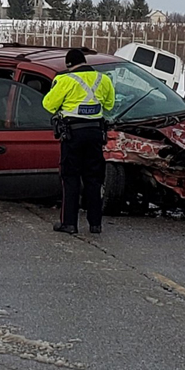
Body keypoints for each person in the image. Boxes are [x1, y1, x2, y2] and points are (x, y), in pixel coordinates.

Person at [42, 49, 115, 235]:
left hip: (73, 135)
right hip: (96, 134)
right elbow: (109, 105)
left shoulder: (65, 80)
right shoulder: (103, 79)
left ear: (68, 65)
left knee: (70, 178)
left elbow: (48, 105)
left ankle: (69, 223)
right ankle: (95, 224)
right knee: (93, 179)